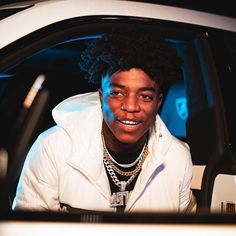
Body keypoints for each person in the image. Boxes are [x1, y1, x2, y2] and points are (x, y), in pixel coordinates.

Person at [12, 29, 194, 213]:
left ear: (158, 103)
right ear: (101, 97)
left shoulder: (177, 158)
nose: (130, 106)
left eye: (145, 96)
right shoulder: (53, 147)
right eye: (116, 93)